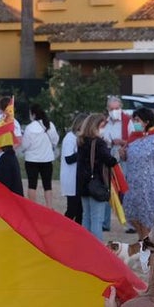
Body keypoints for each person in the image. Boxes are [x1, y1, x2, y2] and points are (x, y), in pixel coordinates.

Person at [122, 108, 154, 244]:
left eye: (137, 120)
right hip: (133, 183)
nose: (134, 122)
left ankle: (147, 246)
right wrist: (123, 154)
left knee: (147, 215)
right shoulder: (133, 138)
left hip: (149, 184)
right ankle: (142, 241)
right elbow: (128, 157)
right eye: (134, 120)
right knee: (133, 213)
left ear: (146, 122)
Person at [74, 112, 117, 241]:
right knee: (97, 219)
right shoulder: (99, 143)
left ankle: (85, 246)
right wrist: (117, 155)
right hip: (96, 184)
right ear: (96, 126)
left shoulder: (81, 141)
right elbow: (110, 161)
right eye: (103, 125)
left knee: (86, 216)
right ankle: (97, 250)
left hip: (83, 184)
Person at [22, 103, 59, 206]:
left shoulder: (30, 128)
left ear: (33, 114)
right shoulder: (50, 125)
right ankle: (49, 206)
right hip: (47, 159)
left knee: (32, 184)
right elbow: (55, 140)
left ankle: (32, 206)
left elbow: (25, 145)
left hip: (31, 160)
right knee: (47, 185)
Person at [102, 97, 129, 233]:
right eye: (112, 109)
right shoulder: (105, 123)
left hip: (124, 156)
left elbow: (134, 138)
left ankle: (130, 223)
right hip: (108, 155)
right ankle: (105, 222)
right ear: (108, 109)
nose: (114, 111)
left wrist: (123, 142)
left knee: (125, 187)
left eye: (117, 108)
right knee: (107, 187)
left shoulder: (128, 121)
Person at [60, 113, 87, 224]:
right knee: (72, 209)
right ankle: (62, 228)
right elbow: (69, 158)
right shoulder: (70, 138)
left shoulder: (79, 138)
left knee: (80, 210)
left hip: (78, 178)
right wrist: (83, 151)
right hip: (71, 178)